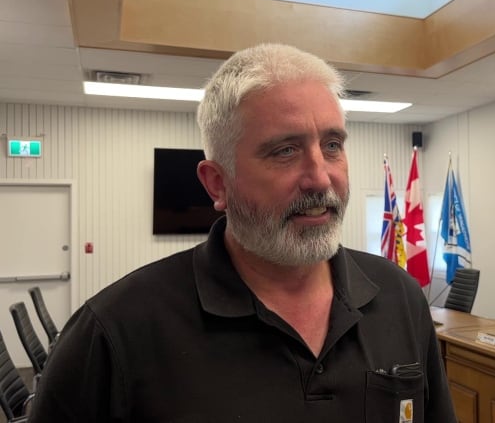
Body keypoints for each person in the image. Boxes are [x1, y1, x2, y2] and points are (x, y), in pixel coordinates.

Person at [29, 43, 456, 422]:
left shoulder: (399, 297)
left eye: (332, 145)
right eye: (285, 150)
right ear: (218, 183)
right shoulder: (115, 333)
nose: (320, 178)